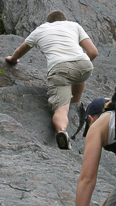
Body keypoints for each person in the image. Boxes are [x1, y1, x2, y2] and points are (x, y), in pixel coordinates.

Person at [5, 11, 98, 150]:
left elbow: (21, 50)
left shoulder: (41, 29)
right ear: (64, 20)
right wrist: (79, 63)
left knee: (61, 110)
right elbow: (93, 52)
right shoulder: (74, 25)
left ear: (48, 22)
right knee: (77, 77)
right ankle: (75, 103)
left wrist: (13, 59)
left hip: (59, 68)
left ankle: (62, 131)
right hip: (84, 65)